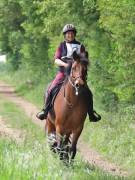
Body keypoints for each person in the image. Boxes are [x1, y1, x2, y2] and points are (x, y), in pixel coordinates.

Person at [36, 24, 101, 122]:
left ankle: (91, 113)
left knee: (88, 92)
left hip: (77, 74)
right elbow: (56, 60)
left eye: (71, 33)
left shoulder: (80, 46)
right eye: (68, 34)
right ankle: (45, 111)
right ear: (65, 35)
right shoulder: (61, 46)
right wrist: (66, 65)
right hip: (63, 73)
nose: (70, 35)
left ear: (74, 34)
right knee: (51, 88)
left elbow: (84, 60)